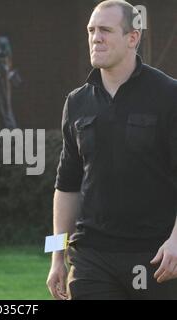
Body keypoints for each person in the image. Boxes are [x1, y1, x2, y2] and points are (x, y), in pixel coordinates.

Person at [47, 0, 177, 300]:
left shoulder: (168, 96)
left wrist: (175, 241)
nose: (96, 37)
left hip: (155, 256)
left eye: (105, 30)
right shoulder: (76, 102)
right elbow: (66, 187)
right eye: (91, 30)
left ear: (133, 37)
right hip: (91, 257)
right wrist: (55, 257)